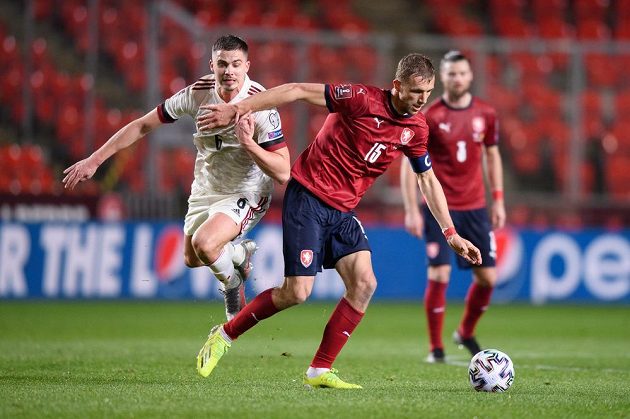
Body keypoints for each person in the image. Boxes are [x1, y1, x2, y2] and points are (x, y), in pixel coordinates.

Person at [193, 52, 482, 389]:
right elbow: (299, 89)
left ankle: (319, 370)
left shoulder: (417, 129)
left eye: (427, 92)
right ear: (396, 86)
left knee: (364, 284)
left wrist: (450, 233)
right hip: (309, 198)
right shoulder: (360, 100)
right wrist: (239, 108)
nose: (422, 100)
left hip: (343, 211)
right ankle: (225, 335)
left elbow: (427, 180)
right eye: (416, 91)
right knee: (296, 293)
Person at [62, 35, 290, 320]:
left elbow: (283, 171)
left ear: (247, 66)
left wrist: (249, 144)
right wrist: (95, 160)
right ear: (212, 65)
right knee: (192, 259)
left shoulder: (261, 105)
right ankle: (238, 256)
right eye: (222, 64)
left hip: (247, 190)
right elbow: (143, 125)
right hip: (207, 186)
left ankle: (232, 284)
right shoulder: (197, 93)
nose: (228, 71)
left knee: (206, 244)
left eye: (235, 64)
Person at [400, 51, 505, 363]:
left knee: (488, 279)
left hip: (475, 207)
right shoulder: (429, 116)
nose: (457, 78)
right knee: (440, 273)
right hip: (439, 208)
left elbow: (492, 156)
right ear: (442, 78)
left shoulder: (486, 113)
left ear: (469, 76)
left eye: (462, 73)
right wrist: (411, 208)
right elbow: (410, 163)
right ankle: (436, 348)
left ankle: (465, 331)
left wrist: (498, 199)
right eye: (451, 74)